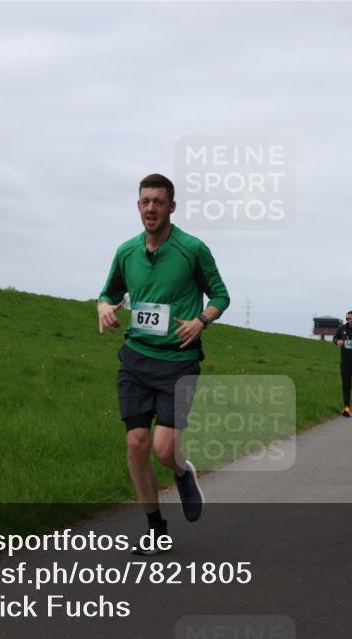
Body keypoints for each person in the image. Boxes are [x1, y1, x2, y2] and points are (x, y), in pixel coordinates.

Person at [98, 173, 230, 555]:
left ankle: (182, 471)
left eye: (158, 201)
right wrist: (104, 306)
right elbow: (109, 291)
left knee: (163, 448)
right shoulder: (126, 251)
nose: (151, 208)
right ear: (138, 206)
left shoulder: (193, 249)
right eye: (145, 201)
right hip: (136, 358)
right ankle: (156, 527)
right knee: (136, 444)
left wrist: (202, 320)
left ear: (172, 206)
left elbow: (221, 295)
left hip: (178, 361)